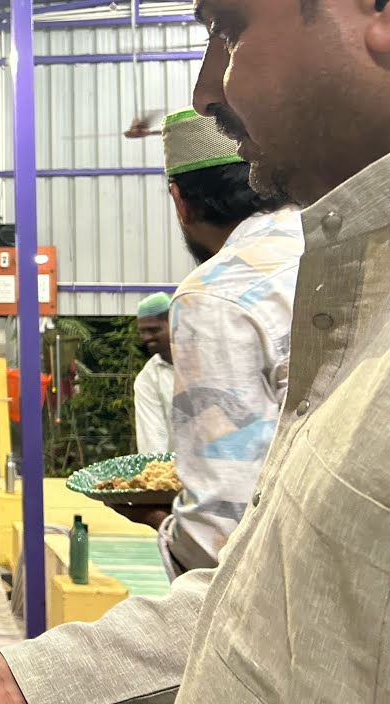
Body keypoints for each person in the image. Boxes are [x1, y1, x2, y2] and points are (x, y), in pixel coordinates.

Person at [0, 0, 390, 704]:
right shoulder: (354, 270)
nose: (207, 89)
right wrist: (34, 681)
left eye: (230, 29)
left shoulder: (223, 295)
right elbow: (269, 588)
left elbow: (219, 545)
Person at [120, 109, 303, 578]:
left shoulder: (215, 293)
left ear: (179, 200)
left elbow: (217, 535)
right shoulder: (331, 242)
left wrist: (164, 526)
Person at [132, 292, 175, 454]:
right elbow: (153, 441)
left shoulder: (206, 360)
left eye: (154, 330)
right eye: (143, 331)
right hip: (175, 474)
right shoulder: (148, 380)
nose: (147, 337)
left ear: (173, 323)